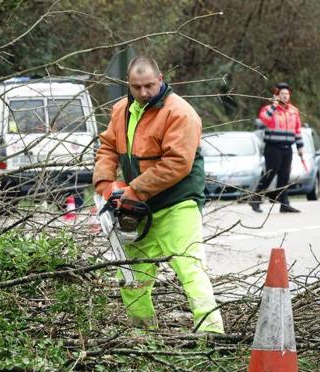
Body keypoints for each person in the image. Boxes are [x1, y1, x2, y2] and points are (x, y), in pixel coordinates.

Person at [93, 55, 224, 334]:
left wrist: (132, 190)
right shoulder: (121, 110)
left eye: (149, 86)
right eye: (136, 87)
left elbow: (177, 163)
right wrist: (106, 183)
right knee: (131, 274)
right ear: (128, 84)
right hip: (138, 206)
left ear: (160, 79)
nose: (143, 93)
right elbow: (107, 147)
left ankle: (212, 333)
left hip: (177, 203)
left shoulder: (180, 113)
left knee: (189, 266)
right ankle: (144, 334)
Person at [249, 82, 303, 213]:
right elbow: (264, 120)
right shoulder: (269, 109)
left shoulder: (293, 111)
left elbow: (297, 130)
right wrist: (274, 106)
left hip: (287, 148)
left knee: (284, 176)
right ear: (277, 95)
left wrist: (300, 147)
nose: (284, 96)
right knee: (270, 174)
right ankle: (255, 199)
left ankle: (284, 204)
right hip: (273, 148)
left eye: (287, 94)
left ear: (289, 96)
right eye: (282, 94)